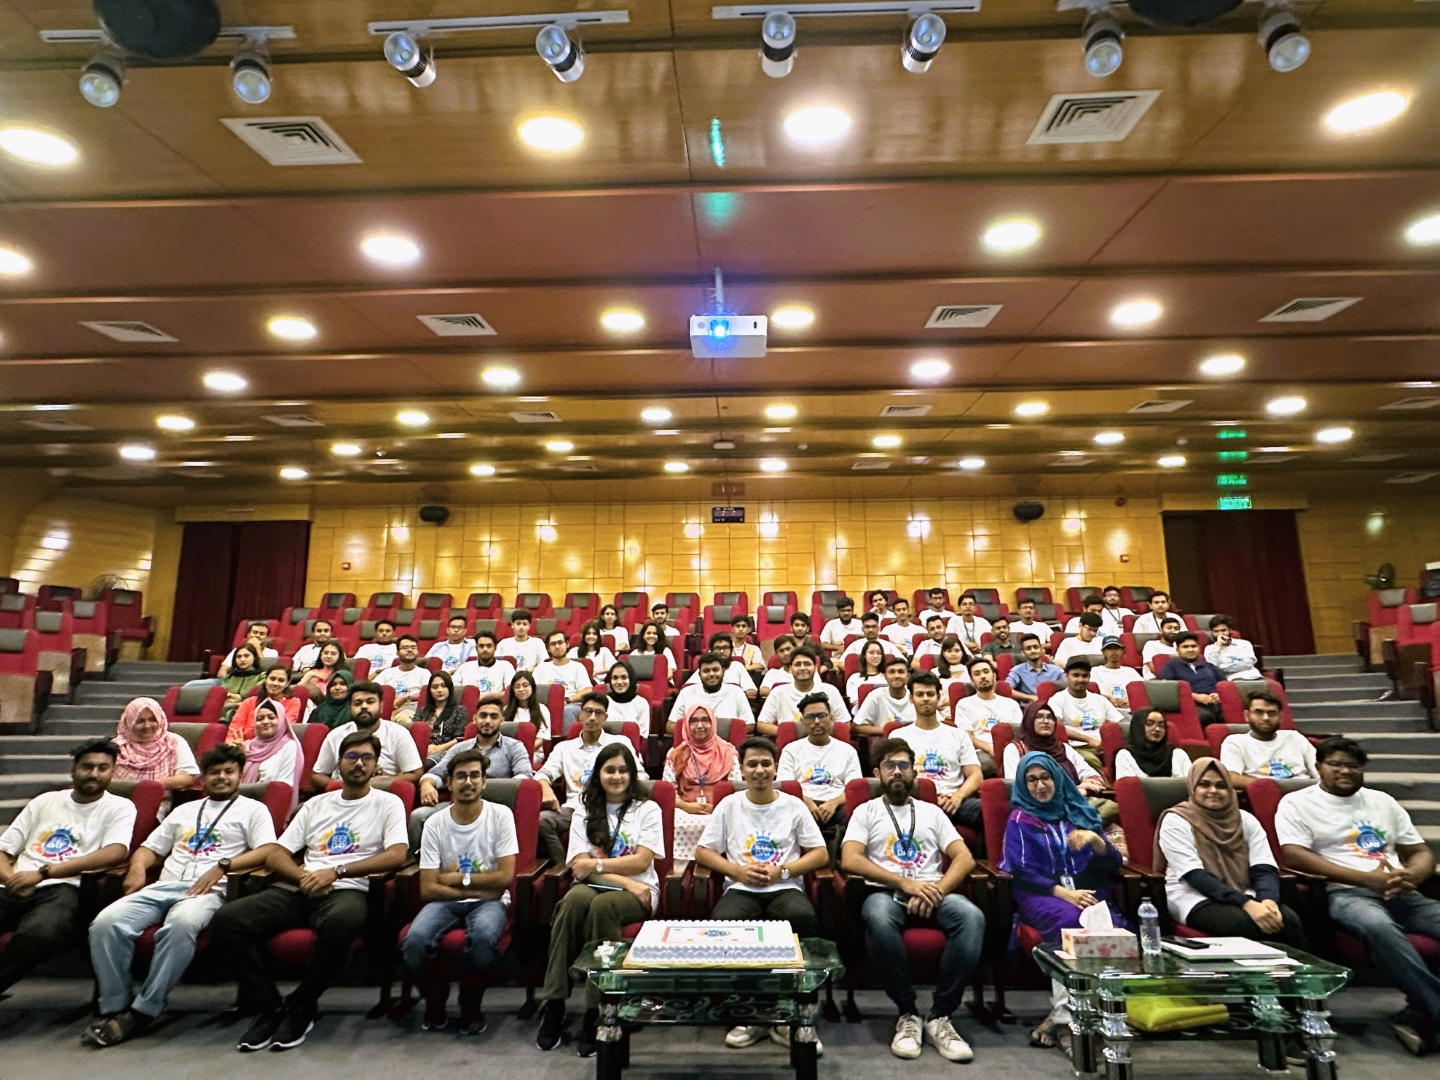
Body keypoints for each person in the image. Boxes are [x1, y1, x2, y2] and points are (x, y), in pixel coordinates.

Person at [211, 731, 408, 1052]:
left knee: (340, 922)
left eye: (366, 758)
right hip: (301, 886)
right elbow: (276, 854)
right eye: (352, 757)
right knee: (227, 920)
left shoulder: (388, 803)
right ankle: (270, 1005)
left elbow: (397, 854)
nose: (359, 764)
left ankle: (302, 1004)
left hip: (348, 889)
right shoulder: (316, 804)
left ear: (377, 766)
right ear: (339, 763)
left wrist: (337, 871)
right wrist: (302, 876)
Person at [83, 744, 275, 1047]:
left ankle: (144, 1009)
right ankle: (116, 1005)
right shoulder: (183, 811)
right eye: (214, 772)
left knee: (181, 926)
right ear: (204, 778)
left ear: (240, 776)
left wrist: (224, 866)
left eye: (229, 772)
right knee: (105, 923)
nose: (221, 777)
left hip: (209, 891)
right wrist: (137, 867)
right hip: (164, 886)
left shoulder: (253, 810)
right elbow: (149, 848)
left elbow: (267, 851)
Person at [1277, 737, 1440, 1056]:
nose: (1345, 771)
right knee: (1378, 926)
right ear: (1319, 766)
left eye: (1353, 765)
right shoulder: (1297, 803)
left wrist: (1412, 875)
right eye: (1336, 764)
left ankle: (1421, 1011)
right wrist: (1366, 879)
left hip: (1401, 891)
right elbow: (1294, 855)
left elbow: (1420, 851)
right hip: (1346, 892)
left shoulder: (1383, 801)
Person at [841, 737, 983, 1063]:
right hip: (885, 893)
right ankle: (907, 1013)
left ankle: (940, 1016)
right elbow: (850, 859)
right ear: (877, 773)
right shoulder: (866, 812)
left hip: (934, 892)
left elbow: (964, 858)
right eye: (889, 766)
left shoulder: (932, 812)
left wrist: (937, 890)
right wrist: (905, 883)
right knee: (878, 918)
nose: (897, 772)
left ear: (914, 772)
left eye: (903, 765)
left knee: (971, 917)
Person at [699, 735, 829, 1053]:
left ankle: (794, 1013)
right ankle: (749, 1013)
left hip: (784, 887)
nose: (759, 770)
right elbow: (703, 852)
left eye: (766, 764)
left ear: (775, 768)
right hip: (741, 889)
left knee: (802, 918)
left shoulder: (793, 805)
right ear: (742, 771)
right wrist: (736, 871)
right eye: (752, 764)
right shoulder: (730, 805)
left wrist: (782, 871)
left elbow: (820, 854)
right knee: (723, 924)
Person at [536, 743, 663, 1056]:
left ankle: (599, 1008)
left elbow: (641, 862)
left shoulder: (647, 809)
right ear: (598, 775)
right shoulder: (584, 810)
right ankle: (555, 1001)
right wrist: (620, 878)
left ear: (632, 774)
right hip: (610, 885)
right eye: (609, 770)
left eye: (623, 770)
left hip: (640, 891)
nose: (616, 776)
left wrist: (598, 867)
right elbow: (579, 867)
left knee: (602, 907)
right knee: (571, 904)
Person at [1002, 751, 1125, 1053]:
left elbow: (1111, 864)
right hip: (1041, 894)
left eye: (1045, 777)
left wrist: (1097, 841)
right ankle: (1068, 1023)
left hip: (1085, 890)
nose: (1040, 785)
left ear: (1057, 779)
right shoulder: (1020, 820)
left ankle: (1091, 1015)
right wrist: (1064, 893)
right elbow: (1022, 872)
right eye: (1031, 780)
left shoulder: (1079, 813)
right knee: (1070, 924)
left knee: (1113, 926)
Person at [0, 741, 135, 998]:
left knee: (39, 934)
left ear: (112, 772)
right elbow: (3, 849)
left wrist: (43, 873)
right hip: (14, 883)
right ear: (73, 769)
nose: (94, 773)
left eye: (103, 768)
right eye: (87, 767)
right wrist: (12, 880)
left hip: (65, 889)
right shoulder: (45, 801)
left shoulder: (120, 807)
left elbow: (116, 851)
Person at [405, 749, 518, 1035]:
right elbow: (428, 888)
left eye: (474, 776)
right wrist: (478, 889)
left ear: (484, 782)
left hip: (487, 903)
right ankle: (435, 1000)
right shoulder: (434, 823)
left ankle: (470, 1005)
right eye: (460, 776)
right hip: (450, 900)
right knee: (414, 941)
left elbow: (504, 878)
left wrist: (455, 878)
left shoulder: (501, 815)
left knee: (483, 937)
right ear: (449, 783)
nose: (468, 782)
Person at [1155, 757, 1305, 946]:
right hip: (1191, 895)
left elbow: (1263, 867)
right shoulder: (1176, 820)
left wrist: (1268, 901)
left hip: (1243, 890)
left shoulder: (1245, 819)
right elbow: (1194, 875)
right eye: (1204, 784)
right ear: (1192, 788)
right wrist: (1246, 904)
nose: (1213, 791)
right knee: (1244, 924)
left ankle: (1298, 967)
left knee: (1288, 920)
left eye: (1221, 785)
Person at [414, 695, 533, 850]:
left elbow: (524, 777)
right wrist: (427, 783)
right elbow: (437, 772)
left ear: (502, 721)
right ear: (475, 719)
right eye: (483, 716)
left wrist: (494, 788)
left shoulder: (514, 747)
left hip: (496, 807)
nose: (488, 721)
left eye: (494, 716)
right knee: (418, 817)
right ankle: (417, 862)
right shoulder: (460, 748)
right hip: (459, 804)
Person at [536, 693, 630, 866]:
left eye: (598, 713)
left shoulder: (619, 743)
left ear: (605, 718)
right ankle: (565, 867)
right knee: (543, 820)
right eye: (588, 711)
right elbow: (543, 773)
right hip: (574, 807)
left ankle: (599, 869)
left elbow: (640, 775)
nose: (592, 717)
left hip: (608, 806)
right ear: (580, 714)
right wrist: (546, 789)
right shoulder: (564, 748)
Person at [894, 672, 983, 833]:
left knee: (990, 809)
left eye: (930, 694)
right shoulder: (898, 736)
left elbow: (975, 775)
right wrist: (930, 797)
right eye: (920, 694)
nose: (926, 698)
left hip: (954, 802)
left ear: (938, 697)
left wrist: (958, 796)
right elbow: (896, 776)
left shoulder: (958, 735)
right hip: (915, 801)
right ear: (911, 699)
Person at [777, 694, 862, 858]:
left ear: (831, 718)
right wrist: (807, 802)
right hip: (802, 803)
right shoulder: (791, 750)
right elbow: (786, 787)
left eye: (822, 716)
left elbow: (853, 789)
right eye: (810, 717)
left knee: (854, 812)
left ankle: (838, 860)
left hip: (837, 806)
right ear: (802, 722)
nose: (816, 721)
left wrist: (833, 803)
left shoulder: (847, 751)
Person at [310, 681, 423, 793]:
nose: (364, 706)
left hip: (384, 794)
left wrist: (376, 784)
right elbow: (317, 775)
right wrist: (346, 787)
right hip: (345, 795)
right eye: (357, 703)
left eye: (370, 702)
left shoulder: (398, 734)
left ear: (381, 706)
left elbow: (415, 773)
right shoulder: (336, 735)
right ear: (350, 708)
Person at [665, 705, 741, 861]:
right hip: (685, 809)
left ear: (713, 723)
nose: (699, 725)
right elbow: (667, 791)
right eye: (693, 721)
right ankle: (680, 867)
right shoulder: (676, 754)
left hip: (720, 809)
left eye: (705, 720)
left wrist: (716, 807)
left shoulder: (728, 752)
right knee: (673, 822)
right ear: (687, 725)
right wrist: (686, 806)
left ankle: (718, 864)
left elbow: (736, 789)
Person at [1002, 703, 1107, 807]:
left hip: (1075, 802)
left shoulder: (1064, 748)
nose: (1046, 721)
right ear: (1029, 721)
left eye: (1050, 717)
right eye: (1039, 717)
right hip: (1039, 806)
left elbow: (1093, 776)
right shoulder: (1015, 749)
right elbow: (1015, 787)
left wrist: (1079, 792)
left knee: (1110, 807)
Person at [1221, 690, 1318, 787]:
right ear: (1247, 715)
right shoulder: (1234, 742)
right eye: (1258, 712)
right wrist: (1274, 788)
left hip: (1306, 791)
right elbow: (1233, 778)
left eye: (1271, 713)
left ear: (1280, 717)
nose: (1265, 718)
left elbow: (1319, 769)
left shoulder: (1295, 737)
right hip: (1264, 793)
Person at [113, 697, 198, 806]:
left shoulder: (173, 742)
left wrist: (152, 786)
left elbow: (187, 777)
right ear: (129, 722)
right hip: (117, 802)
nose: (147, 726)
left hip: (158, 803)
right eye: (140, 721)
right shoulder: (117, 746)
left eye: (153, 720)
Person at [757, 644, 850, 736]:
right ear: (791, 669)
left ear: (815, 668)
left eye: (807, 664)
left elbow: (845, 724)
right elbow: (761, 725)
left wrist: (817, 733)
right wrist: (790, 733)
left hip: (823, 739)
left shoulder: (830, 690)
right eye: (797, 664)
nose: (802, 668)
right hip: (790, 741)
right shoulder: (777, 692)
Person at [1046, 658, 1116, 771]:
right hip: (1075, 747)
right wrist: (1088, 740)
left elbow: (1120, 723)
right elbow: (1057, 727)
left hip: (1103, 745)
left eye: (1084, 676)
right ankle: (1103, 783)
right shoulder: (1057, 700)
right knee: (1090, 760)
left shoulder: (1100, 700)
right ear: (1066, 676)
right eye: (1076, 675)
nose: (1080, 679)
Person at [243, 700, 307, 809]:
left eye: (271, 717)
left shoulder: (289, 746)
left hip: (271, 805)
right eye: (260, 719)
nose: (265, 722)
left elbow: (284, 786)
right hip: (242, 804)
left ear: (281, 720)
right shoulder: (248, 747)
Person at [668, 651, 751, 734]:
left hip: (728, 741)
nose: (711, 674)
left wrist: (715, 732)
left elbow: (750, 725)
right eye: (706, 671)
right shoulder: (686, 692)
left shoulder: (737, 692)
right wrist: (699, 733)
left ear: (723, 671)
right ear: (699, 674)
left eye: (715, 670)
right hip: (694, 739)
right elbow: (670, 725)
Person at [1158, 632, 1225, 727]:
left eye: (1193, 646)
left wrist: (1218, 695)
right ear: (1177, 650)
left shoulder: (1209, 666)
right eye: (1185, 647)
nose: (1190, 649)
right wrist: (1195, 696)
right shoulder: (1170, 667)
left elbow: (1224, 685)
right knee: (1204, 717)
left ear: (1199, 648)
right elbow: (1167, 690)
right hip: (1192, 705)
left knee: (1234, 713)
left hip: (1217, 703)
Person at [535, 630, 597, 727]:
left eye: (560, 642)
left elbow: (587, 690)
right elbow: (533, 689)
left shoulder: (578, 667)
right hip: (546, 705)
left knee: (567, 710)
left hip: (571, 704)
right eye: (553, 644)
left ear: (567, 644)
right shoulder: (541, 668)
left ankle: (565, 737)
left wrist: (567, 700)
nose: (557, 646)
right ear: (548, 649)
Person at [226, 664, 301, 743]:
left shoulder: (293, 702)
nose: (275, 683)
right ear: (265, 680)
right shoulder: (248, 702)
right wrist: (232, 744)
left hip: (274, 744)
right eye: (272, 679)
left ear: (287, 683)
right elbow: (233, 730)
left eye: (281, 680)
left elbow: (281, 728)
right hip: (242, 744)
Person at [1114, 708, 1189, 780]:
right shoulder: (1125, 755)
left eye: (1161, 725)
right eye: (1149, 724)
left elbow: (1192, 784)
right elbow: (1126, 787)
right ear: (1138, 727)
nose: (1157, 729)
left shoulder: (1178, 754)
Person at [414, 670, 468, 768]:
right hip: (421, 751)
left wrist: (439, 748)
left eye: (444, 686)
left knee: (426, 765)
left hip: (446, 751)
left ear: (450, 688)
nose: (439, 690)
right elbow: (415, 734)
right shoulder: (422, 711)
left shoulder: (459, 710)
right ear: (430, 691)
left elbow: (460, 739)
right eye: (435, 687)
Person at [853, 655, 917, 736]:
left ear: (908, 676)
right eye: (892, 672)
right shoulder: (876, 695)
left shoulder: (917, 694)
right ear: (885, 676)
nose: (896, 676)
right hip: (885, 738)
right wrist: (889, 731)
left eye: (901, 672)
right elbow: (857, 726)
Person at [374, 634, 428, 726]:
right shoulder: (387, 673)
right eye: (405, 647)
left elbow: (427, 693)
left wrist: (406, 698)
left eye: (413, 647)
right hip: (388, 711)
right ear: (397, 653)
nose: (410, 650)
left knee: (403, 718)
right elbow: (372, 689)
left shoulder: (424, 673)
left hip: (412, 712)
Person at [453, 629, 517, 696]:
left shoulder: (505, 666)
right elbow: (452, 688)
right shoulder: (465, 667)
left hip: (495, 701)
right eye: (481, 646)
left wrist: (486, 697)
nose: (485, 649)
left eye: (489, 646)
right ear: (476, 649)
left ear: (495, 648)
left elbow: (511, 691)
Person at [1091, 636, 1142, 717]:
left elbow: (1142, 693)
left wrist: (1129, 700)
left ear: (1123, 651)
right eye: (1109, 649)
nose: (1114, 652)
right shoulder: (1095, 671)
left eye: (1117, 648)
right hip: (1104, 712)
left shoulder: (1130, 672)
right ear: (1103, 652)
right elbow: (1088, 694)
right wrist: (1106, 699)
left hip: (1129, 712)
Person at [1006, 635, 1063, 704]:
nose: (1033, 651)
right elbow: (1006, 689)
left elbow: (1070, 686)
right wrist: (1030, 697)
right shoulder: (1017, 671)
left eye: (1036, 647)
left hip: (1054, 705)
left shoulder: (1056, 670)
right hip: (1029, 706)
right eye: (1028, 648)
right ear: (1023, 653)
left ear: (1041, 650)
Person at [1205, 615, 1262, 681]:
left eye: (1223, 630)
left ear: (1229, 630)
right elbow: (1213, 668)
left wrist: (1222, 667)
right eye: (1216, 631)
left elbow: (1248, 664)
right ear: (1212, 632)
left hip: (1253, 677)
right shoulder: (1209, 649)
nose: (1220, 634)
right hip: (1231, 680)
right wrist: (1218, 647)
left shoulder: (1244, 644)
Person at [603, 661, 651, 737]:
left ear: (631, 679)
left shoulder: (641, 703)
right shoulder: (603, 702)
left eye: (624, 677)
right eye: (615, 678)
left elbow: (643, 736)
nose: (619, 682)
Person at [220, 644, 266, 719]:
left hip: (249, 708)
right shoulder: (230, 677)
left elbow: (252, 696)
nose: (242, 659)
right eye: (239, 656)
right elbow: (222, 694)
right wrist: (237, 697)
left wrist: (231, 695)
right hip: (227, 706)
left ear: (254, 657)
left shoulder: (262, 676)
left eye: (246, 656)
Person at [845, 640, 889, 710]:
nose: (875, 656)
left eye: (879, 653)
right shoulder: (854, 678)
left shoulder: (888, 677)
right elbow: (855, 702)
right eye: (871, 652)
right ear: (864, 655)